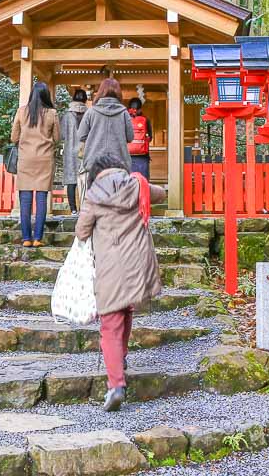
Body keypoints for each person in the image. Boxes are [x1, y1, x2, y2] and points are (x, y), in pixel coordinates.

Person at [76, 152, 166, 412]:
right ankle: (122, 358)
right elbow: (159, 194)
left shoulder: (94, 195)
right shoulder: (137, 184)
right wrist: (143, 183)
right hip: (137, 263)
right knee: (126, 309)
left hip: (111, 265)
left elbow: (81, 231)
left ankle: (116, 385)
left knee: (110, 324)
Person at [11, 82, 60, 246]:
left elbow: (14, 138)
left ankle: (26, 238)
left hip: (25, 160)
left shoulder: (21, 111)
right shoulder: (52, 113)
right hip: (44, 160)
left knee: (25, 199)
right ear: (46, 96)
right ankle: (38, 238)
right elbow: (58, 138)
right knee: (41, 198)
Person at [77, 77, 133, 173]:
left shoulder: (91, 112)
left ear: (100, 91)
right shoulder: (124, 113)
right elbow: (130, 137)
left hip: (94, 163)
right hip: (119, 163)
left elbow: (81, 135)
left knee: (96, 188)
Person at [60, 88, 89, 215]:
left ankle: (73, 209)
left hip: (70, 151)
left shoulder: (67, 115)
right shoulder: (89, 114)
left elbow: (61, 135)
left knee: (71, 181)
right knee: (86, 180)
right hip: (86, 150)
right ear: (85, 100)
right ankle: (85, 208)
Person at [126, 97, 152, 179]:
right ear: (140, 109)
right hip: (143, 157)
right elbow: (150, 137)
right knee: (143, 182)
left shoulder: (125, 119)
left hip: (127, 157)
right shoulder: (145, 120)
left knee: (129, 184)